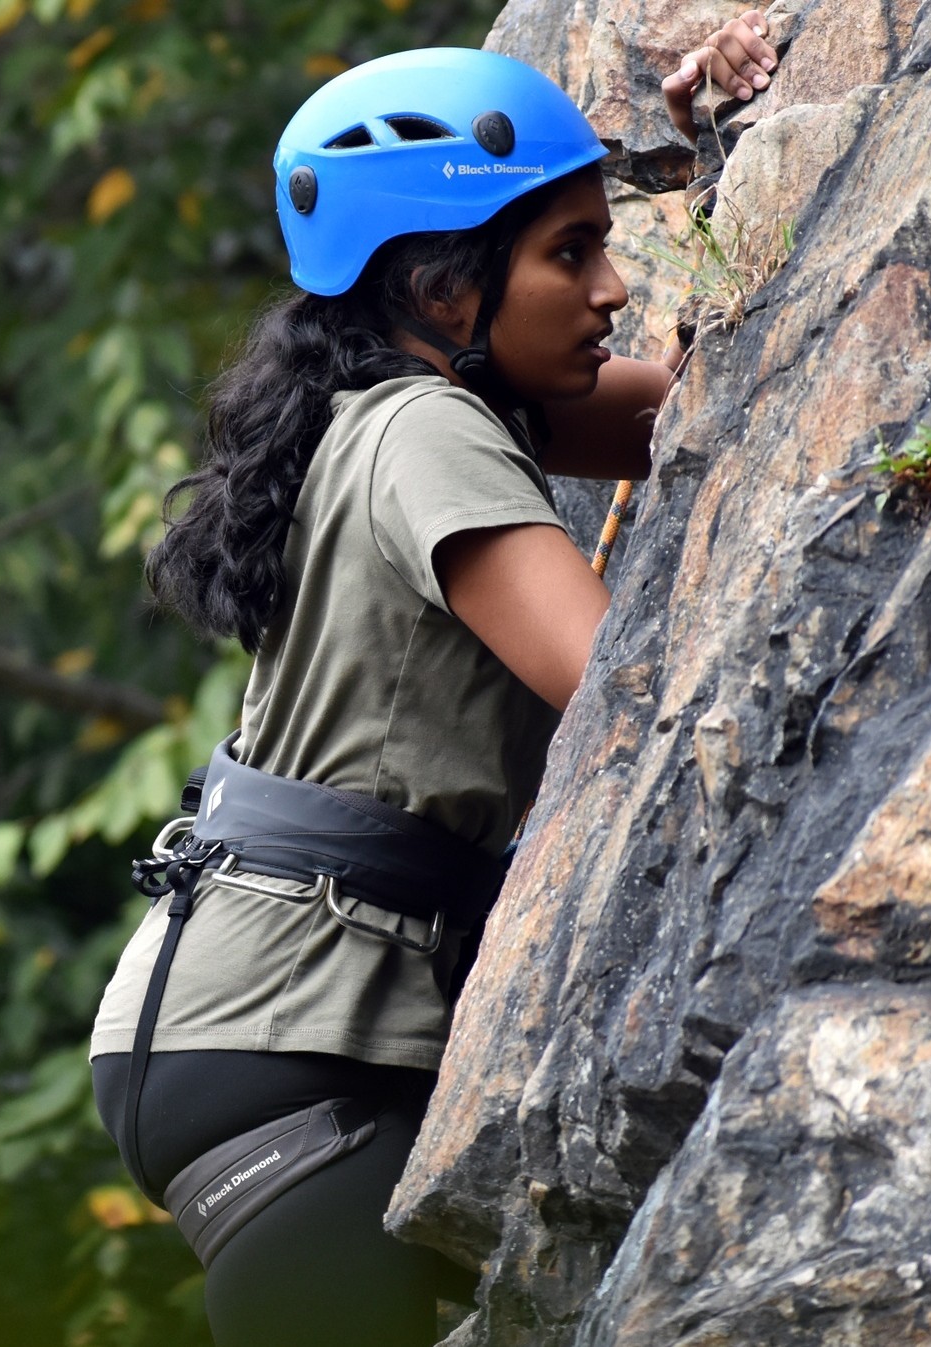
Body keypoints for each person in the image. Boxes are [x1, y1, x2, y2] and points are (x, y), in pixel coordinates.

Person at [88, 15, 777, 1347]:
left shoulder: (402, 408)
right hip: (292, 1047)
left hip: (246, 1028)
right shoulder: (427, 431)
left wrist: (716, 141)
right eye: (570, 254)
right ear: (444, 290)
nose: (610, 289)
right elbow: (620, 689)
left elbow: (708, 392)